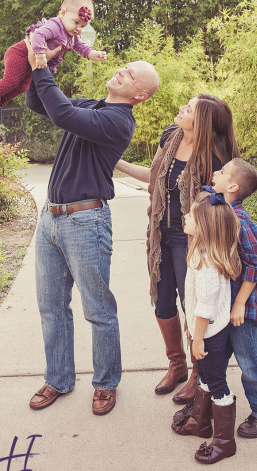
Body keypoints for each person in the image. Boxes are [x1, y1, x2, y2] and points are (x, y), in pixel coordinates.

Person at [25, 41, 159, 416]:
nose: (123, 70)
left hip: (86, 222)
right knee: (51, 306)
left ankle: (105, 383)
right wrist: (39, 59)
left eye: (132, 74)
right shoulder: (88, 105)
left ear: (140, 94)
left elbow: (63, 115)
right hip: (50, 218)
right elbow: (41, 103)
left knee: (98, 309)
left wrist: (41, 69)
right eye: (126, 65)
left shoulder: (119, 122)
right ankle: (58, 379)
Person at [115, 95, 239, 401]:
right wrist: (114, 161)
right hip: (159, 234)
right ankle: (177, 365)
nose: (180, 108)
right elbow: (152, 176)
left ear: (201, 123)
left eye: (188, 109)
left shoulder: (216, 157)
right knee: (163, 302)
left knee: (194, 306)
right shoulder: (170, 136)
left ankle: (200, 373)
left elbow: (224, 204)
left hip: (192, 239)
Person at [174, 158, 257, 438]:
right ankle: (203, 409)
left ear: (232, 186)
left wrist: (240, 303)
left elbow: (256, 265)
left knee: (250, 361)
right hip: (218, 308)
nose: (215, 173)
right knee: (211, 361)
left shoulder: (240, 220)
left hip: (239, 309)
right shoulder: (215, 210)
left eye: (221, 172)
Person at [171, 189, 242, 464]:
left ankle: (225, 442)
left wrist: (196, 339)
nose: (185, 216)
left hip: (209, 334)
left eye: (191, 215)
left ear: (205, 225)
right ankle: (199, 423)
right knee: (205, 376)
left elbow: (205, 308)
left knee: (217, 383)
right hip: (210, 332)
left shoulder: (206, 264)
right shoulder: (201, 250)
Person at [0, 0, 107, 115]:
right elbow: (38, 35)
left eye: (83, 26)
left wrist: (93, 54)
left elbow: (81, 47)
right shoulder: (56, 26)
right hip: (20, 54)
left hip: (30, 63)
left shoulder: (72, 36)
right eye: (76, 22)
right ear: (63, 13)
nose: (78, 29)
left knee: (23, 87)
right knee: (11, 81)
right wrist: (40, 55)